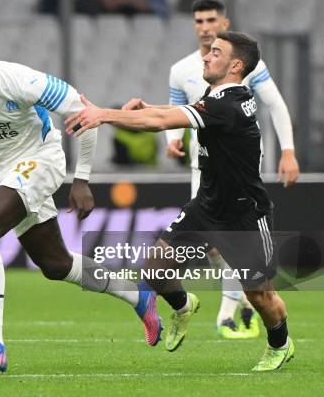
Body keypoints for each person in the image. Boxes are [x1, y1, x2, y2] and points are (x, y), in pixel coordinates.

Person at [0, 17, 163, 373]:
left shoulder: (20, 81)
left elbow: (85, 112)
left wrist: (81, 179)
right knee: (56, 264)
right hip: (7, 171)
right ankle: (137, 294)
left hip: (43, 160)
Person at [65, 31, 294, 372]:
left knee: (260, 296)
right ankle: (184, 306)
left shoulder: (226, 106)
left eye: (216, 52)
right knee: (155, 270)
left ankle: (280, 344)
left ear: (236, 65)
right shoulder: (218, 96)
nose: (205, 55)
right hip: (206, 207)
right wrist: (149, 107)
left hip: (243, 214)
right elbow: (176, 112)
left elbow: (161, 123)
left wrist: (104, 115)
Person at [161, 0, 299, 339]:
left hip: (240, 167)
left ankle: (228, 312)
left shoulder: (242, 64)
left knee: (226, 243)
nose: (205, 28)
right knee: (211, 246)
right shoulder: (182, 70)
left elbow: (276, 105)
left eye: (212, 21)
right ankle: (231, 305)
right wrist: (171, 141)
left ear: (224, 24)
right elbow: (174, 111)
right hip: (202, 169)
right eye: (199, 22)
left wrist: (289, 150)